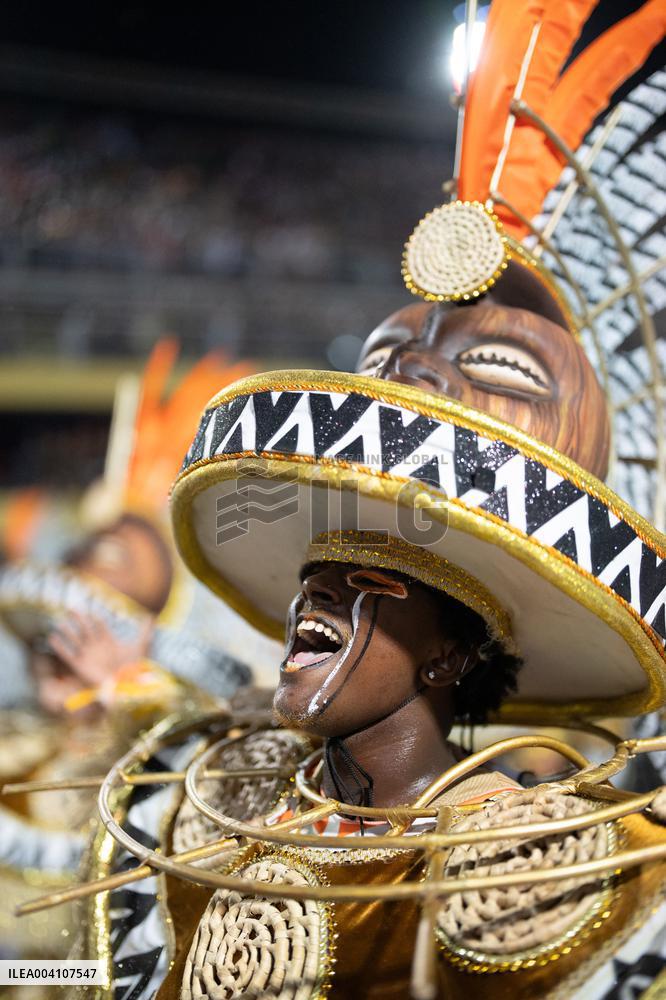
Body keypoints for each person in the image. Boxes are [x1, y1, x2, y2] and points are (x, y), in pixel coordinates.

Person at [18, 3, 666, 998]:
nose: (311, 599)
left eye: (368, 578)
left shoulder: (557, 878)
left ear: (454, 650)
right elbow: (47, 953)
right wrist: (109, 705)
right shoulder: (195, 796)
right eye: (314, 570)